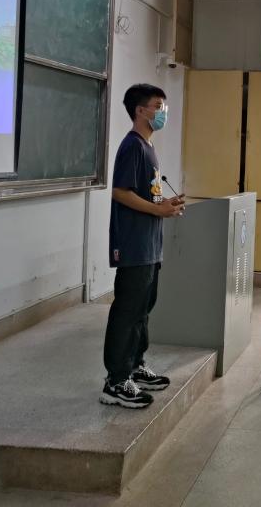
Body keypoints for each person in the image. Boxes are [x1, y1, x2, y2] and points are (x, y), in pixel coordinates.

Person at [101, 84, 185, 408]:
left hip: (150, 243)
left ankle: (134, 365)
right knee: (128, 310)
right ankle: (115, 381)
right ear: (140, 110)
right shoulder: (132, 146)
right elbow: (120, 192)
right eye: (158, 106)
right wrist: (157, 209)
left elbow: (146, 195)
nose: (163, 112)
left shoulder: (149, 147)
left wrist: (165, 204)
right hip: (133, 244)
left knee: (143, 308)